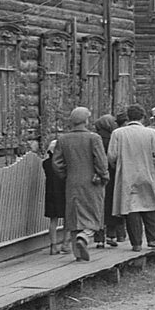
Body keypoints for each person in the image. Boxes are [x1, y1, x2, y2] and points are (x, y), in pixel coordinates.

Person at [51, 107, 109, 261]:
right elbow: (101, 161)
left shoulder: (63, 139)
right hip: (92, 182)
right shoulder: (94, 138)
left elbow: (56, 163)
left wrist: (66, 175)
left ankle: (78, 254)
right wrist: (103, 176)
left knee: (74, 216)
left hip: (72, 182)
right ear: (86, 120)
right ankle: (85, 236)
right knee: (94, 214)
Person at [107, 104, 155, 252]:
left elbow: (111, 156)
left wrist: (116, 166)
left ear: (128, 117)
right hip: (147, 172)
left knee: (132, 208)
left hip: (127, 174)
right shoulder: (150, 133)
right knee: (149, 205)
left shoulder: (118, 133)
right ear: (143, 117)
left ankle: (136, 243)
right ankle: (152, 239)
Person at [93, 114, 126, 248]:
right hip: (112, 175)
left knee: (98, 206)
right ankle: (111, 235)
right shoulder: (114, 138)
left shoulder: (95, 138)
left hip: (96, 176)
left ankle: (99, 237)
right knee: (112, 205)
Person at [41, 138, 67, 254]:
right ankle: (65, 243)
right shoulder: (64, 163)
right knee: (67, 219)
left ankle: (53, 245)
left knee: (53, 220)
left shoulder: (45, 163)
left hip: (51, 192)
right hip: (63, 191)